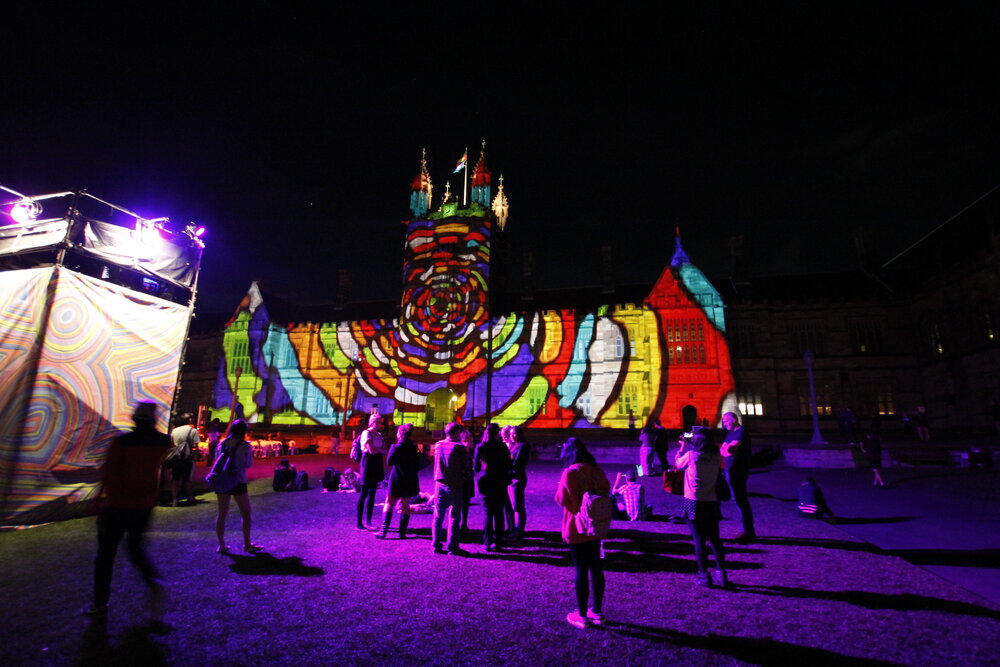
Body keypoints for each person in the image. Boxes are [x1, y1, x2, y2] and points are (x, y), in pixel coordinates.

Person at [84, 402, 172, 619]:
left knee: (105, 556)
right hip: (143, 505)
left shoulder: (121, 443)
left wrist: (98, 499)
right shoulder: (162, 442)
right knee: (135, 549)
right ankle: (154, 582)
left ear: (134, 419)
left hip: (116, 506)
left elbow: (109, 474)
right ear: (153, 420)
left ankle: (99, 603)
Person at [555, 437, 611, 629]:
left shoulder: (570, 472)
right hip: (596, 525)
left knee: (581, 568)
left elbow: (562, 500)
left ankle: (581, 614)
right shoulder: (597, 471)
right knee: (596, 567)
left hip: (576, 526)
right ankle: (597, 611)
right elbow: (606, 490)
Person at [675, 426, 729, 589]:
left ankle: (704, 575)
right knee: (715, 539)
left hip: (694, 500)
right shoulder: (716, 455)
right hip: (711, 500)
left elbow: (677, 465)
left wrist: (682, 447)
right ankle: (722, 574)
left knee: (699, 539)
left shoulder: (691, 455)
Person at [214, 420, 262, 554]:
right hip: (238, 480)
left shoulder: (221, 444)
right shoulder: (245, 446)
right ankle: (247, 544)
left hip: (222, 481)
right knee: (246, 513)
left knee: (222, 513)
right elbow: (248, 464)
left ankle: (221, 545)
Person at [377, 423, 420, 539]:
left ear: (400, 434)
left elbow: (389, 462)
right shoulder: (413, 447)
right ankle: (402, 533)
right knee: (405, 505)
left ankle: (383, 532)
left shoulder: (395, 447)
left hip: (397, 478)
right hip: (409, 477)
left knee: (389, 502)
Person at [431, 422, 468, 555]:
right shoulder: (459, 447)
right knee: (453, 517)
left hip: (439, 482)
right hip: (454, 484)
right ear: (456, 432)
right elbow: (465, 466)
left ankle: (436, 544)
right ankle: (452, 546)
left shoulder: (438, 445)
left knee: (438, 515)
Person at [474, 423, 511, 551]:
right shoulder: (501, 446)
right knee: (499, 512)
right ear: (497, 433)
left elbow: (476, 467)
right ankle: (499, 541)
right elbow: (508, 464)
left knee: (487, 512)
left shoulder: (481, 447)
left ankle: (487, 542)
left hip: (485, 480)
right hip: (499, 480)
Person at [720, 411, 756, 543]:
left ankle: (748, 532)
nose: (724, 423)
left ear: (734, 420)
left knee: (740, 500)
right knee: (737, 500)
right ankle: (746, 530)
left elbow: (731, 449)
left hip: (738, 471)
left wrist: (728, 450)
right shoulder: (730, 433)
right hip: (730, 470)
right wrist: (727, 450)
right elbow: (723, 450)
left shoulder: (741, 431)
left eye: (726, 421)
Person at [357, 414, 386, 529]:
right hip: (368, 462)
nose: (380, 424)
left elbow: (384, 450)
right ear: (373, 422)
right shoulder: (366, 433)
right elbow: (371, 450)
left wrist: (377, 449)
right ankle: (359, 523)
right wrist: (379, 450)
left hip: (375, 463)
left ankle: (368, 520)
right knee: (364, 493)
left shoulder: (378, 434)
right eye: (378, 421)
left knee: (372, 493)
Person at [504, 425, 531, 540]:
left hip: (517, 478)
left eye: (514, 433)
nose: (512, 436)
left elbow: (517, 462)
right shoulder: (514, 446)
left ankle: (518, 530)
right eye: (511, 434)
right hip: (511, 477)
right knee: (511, 505)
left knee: (517, 506)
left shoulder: (523, 446)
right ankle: (512, 528)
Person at [166, 413, 198, 506]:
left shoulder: (174, 430)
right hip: (187, 457)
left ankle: (175, 499)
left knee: (175, 478)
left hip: (176, 457)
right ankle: (190, 497)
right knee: (188, 478)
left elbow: (172, 443)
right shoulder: (193, 431)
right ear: (189, 420)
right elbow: (196, 446)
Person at [459, 429, 476, 533]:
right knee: (460, 503)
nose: (473, 441)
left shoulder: (469, 451)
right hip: (462, 481)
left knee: (466, 504)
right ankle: (459, 524)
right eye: (471, 439)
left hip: (468, 480)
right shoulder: (460, 451)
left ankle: (464, 524)